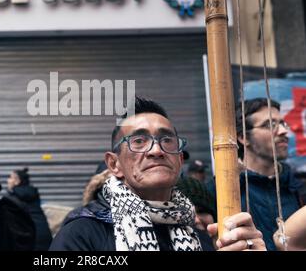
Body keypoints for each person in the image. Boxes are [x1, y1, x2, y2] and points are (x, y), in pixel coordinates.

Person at [50, 97, 265, 251]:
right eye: (139, 141)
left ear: (179, 160)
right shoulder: (84, 233)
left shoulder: (200, 234)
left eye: (166, 140)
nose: (156, 150)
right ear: (114, 164)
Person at [208, 98, 303, 251]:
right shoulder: (220, 190)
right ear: (243, 137)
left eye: (282, 123)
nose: (284, 131)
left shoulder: (300, 189)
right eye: (270, 125)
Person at [7, 167, 53, 251]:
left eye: (10, 177)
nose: (8, 180)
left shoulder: (12, 197)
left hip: (30, 237)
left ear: (17, 181)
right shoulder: (33, 194)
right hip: (45, 236)